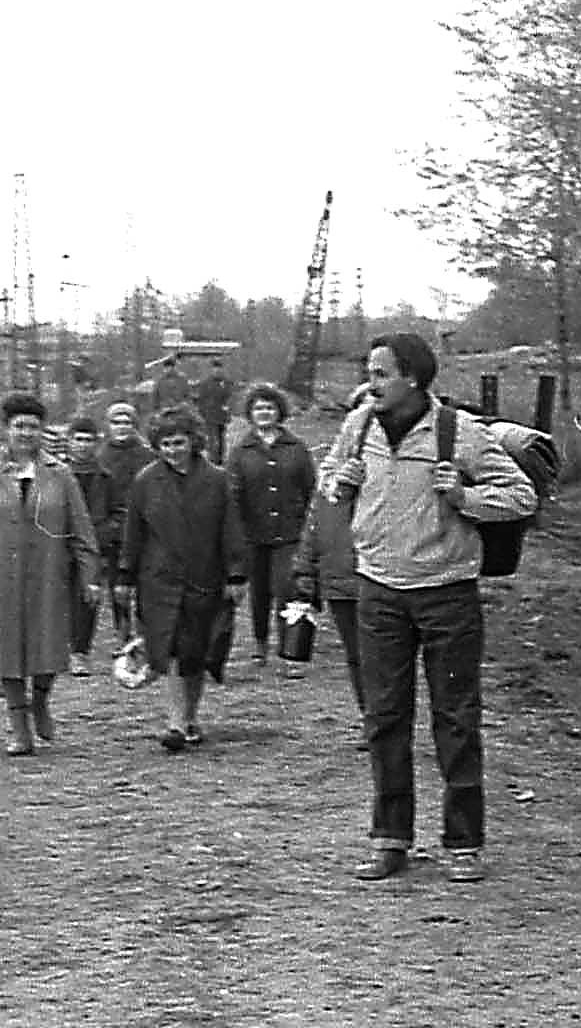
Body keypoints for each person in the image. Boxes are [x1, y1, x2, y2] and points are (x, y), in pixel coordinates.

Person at [322, 332, 531, 886]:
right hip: (378, 591)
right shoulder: (358, 425)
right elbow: (328, 485)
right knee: (385, 717)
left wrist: (464, 497)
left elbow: (520, 496)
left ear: (413, 377)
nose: (371, 383)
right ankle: (391, 839)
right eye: (370, 373)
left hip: (446, 593)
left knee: (455, 719)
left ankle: (463, 843)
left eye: (381, 373)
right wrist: (339, 484)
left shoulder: (457, 431)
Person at [0, 392, 104, 757]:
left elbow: (81, 529)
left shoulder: (60, 475)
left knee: (48, 644)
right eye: (19, 426)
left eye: (34, 427)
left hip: (48, 575)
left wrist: (89, 575)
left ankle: (41, 700)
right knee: (6, 649)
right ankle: (19, 725)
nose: (26, 434)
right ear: (5, 429)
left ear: (43, 431)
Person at [115, 406, 247, 752]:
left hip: (204, 576)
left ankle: (190, 716)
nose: (173, 450)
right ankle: (174, 723)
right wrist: (125, 575)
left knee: (196, 652)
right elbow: (134, 533)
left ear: (193, 441)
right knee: (170, 649)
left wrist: (236, 574)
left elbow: (231, 528)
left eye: (179, 442)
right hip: (159, 580)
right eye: (165, 444)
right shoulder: (145, 481)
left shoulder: (217, 480)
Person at [225, 383, 316, 669]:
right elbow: (233, 494)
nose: (264, 413)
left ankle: (290, 650)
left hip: (290, 533)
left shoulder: (297, 448)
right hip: (254, 534)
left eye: (269, 407)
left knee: (288, 590)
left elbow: (310, 488)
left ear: (279, 412)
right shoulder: (241, 451)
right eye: (258, 408)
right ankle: (260, 645)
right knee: (259, 593)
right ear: (250, 414)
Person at [289, 474, 364, 740]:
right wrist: (305, 571)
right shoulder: (328, 487)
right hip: (340, 581)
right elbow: (313, 528)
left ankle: (387, 717)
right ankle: (371, 718)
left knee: (383, 656)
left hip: (381, 580)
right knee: (357, 655)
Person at [86, 401, 157, 647]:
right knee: (119, 585)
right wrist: (105, 528)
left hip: (146, 529)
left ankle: (146, 632)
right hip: (116, 532)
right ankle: (122, 631)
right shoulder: (100, 456)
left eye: (127, 422)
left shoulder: (148, 455)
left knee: (147, 583)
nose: (122, 427)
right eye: (116, 422)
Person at [59, 413, 106, 676]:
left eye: (89, 440)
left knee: (88, 597)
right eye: (78, 440)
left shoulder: (105, 477)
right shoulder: (55, 475)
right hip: (59, 544)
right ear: (69, 442)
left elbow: (119, 511)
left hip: (93, 547)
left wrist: (100, 534)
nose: (83, 445)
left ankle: (80, 652)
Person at [192, 357, 235, 448]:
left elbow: (230, 398)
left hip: (221, 416)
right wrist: (202, 413)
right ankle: (213, 459)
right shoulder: (205, 383)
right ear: (212, 370)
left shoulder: (226, 383)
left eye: (219, 368)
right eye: (215, 368)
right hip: (209, 416)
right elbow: (201, 399)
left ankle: (219, 459)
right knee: (213, 440)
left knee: (221, 439)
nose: (217, 371)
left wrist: (228, 412)